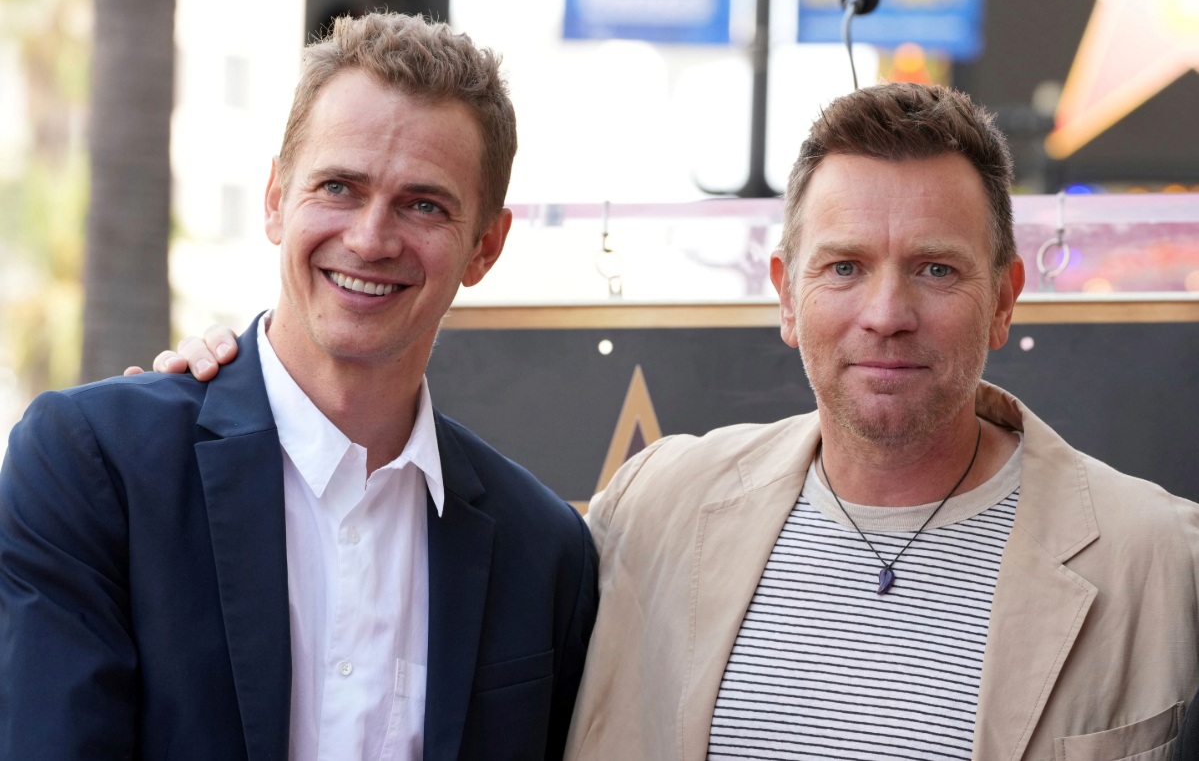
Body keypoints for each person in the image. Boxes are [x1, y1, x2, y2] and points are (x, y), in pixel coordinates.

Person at [144, 84, 1199, 758]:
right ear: (785, 294)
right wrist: (234, 387)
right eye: (843, 267)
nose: (884, 313)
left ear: (1006, 295)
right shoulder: (652, 511)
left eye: (935, 268)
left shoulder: (1163, 565)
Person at [0, 12, 596, 761]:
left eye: (424, 204)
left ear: (485, 245)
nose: (371, 239)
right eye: (339, 186)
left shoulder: (544, 551)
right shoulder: (97, 466)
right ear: (276, 198)